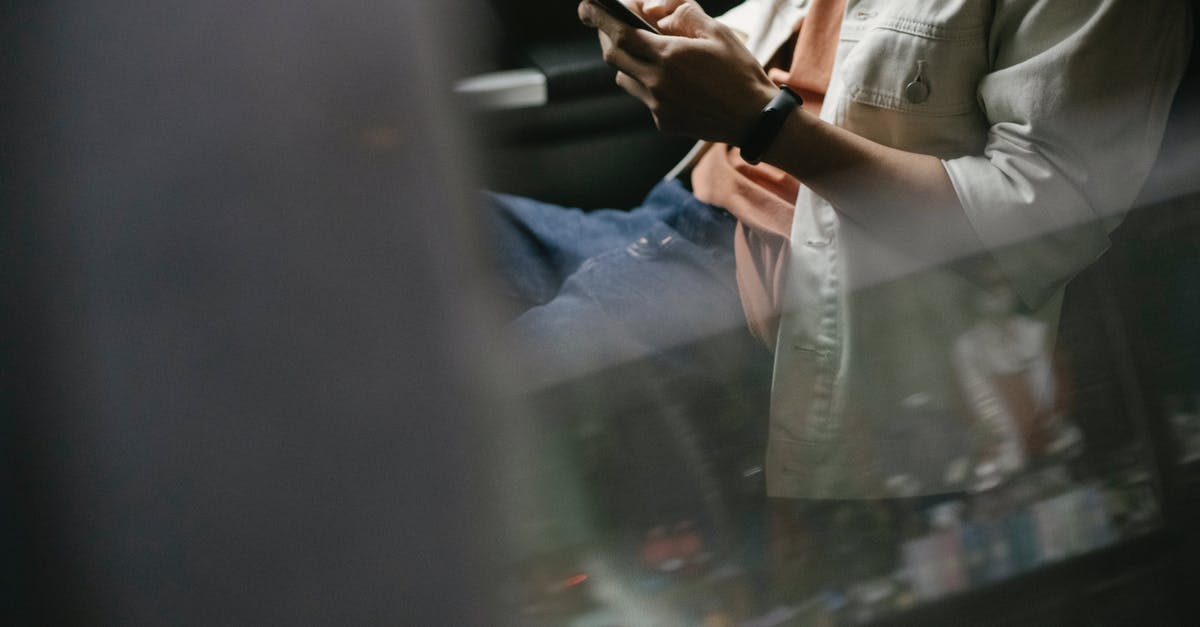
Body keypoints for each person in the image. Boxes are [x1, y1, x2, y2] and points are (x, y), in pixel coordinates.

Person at [488, 0, 1192, 501]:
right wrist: (692, 44)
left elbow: (1039, 221)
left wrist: (758, 122)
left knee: (452, 413)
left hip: (754, 298)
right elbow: (824, 54)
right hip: (677, 216)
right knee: (400, 239)